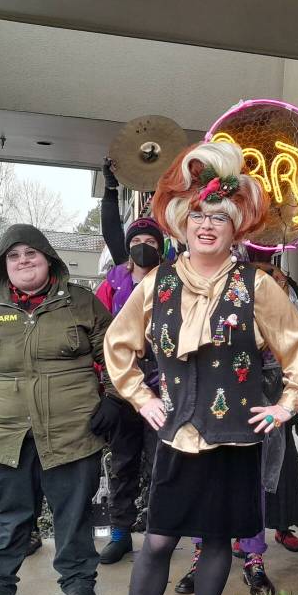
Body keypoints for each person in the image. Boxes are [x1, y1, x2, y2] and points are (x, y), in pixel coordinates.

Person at [85, 140, 298, 595]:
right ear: (180, 222)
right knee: (159, 542)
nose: (207, 225)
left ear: (235, 226)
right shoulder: (156, 284)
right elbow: (119, 345)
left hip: (236, 440)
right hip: (177, 437)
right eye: (198, 214)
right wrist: (141, 397)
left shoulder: (258, 286)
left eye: (219, 216)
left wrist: (287, 403)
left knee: (218, 544)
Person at [0, 224, 118, 595]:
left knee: (72, 512)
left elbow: (115, 351)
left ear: (48, 260)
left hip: (72, 430)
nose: (23, 261)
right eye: (13, 256)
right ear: (2, 265)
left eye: (31, 254)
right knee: (10, 515)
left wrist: (113, 398)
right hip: (6, 433)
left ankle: (77, 581)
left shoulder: (81, 303)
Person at [95, 216, 168, 564]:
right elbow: (98, 336)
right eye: (139, 241)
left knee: (160, 466)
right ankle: (120, 533)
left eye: (152, 243)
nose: (145, 247)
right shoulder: (112, 284)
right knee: (123, 464)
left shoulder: (173, 280)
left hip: (163, 389)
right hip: (123, 388)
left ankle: (156, 537)